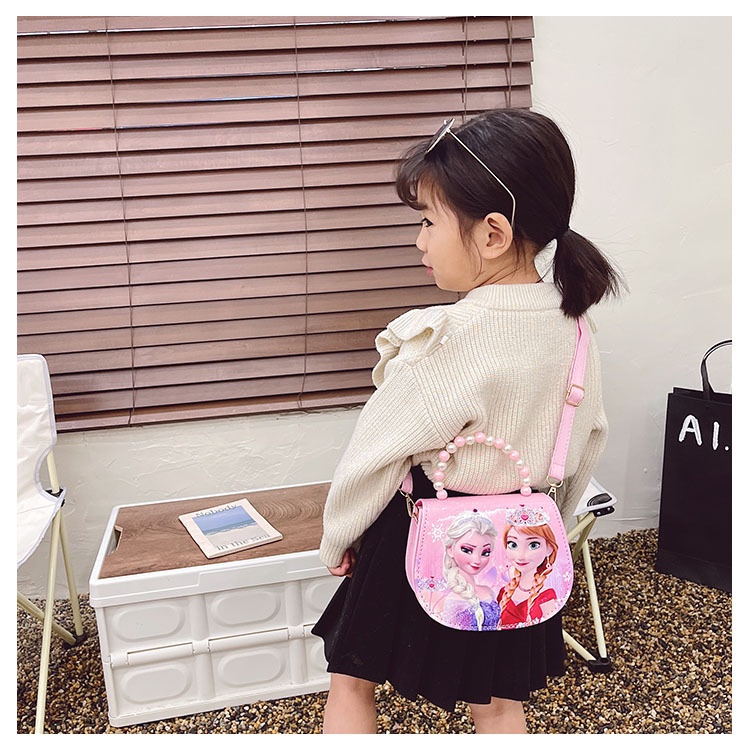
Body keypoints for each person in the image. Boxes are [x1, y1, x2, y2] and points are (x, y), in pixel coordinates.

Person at [311, 108, 623, 734]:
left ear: (492, 234)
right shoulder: (574, 328)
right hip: (519, 547)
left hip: (421, 533)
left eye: (428, 221)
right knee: (499, 701)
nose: (420, 240)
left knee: (351, 682)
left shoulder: (447, 337)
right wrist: (545, 530)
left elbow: (376, 454)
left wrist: (339, 534)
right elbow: (587, 440)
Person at [433, 511, 500, 631]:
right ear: (450, 550)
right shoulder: (451, 598)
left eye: (485, 553)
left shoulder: (489, 591)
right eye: (467, 550)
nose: (477, 560)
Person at [497, 508, 560, 627]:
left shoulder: (546, 596)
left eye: (533, 545)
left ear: (549, 548)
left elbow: (551, 630)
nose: (520, 556)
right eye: (513, 544)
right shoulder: (504, 592)